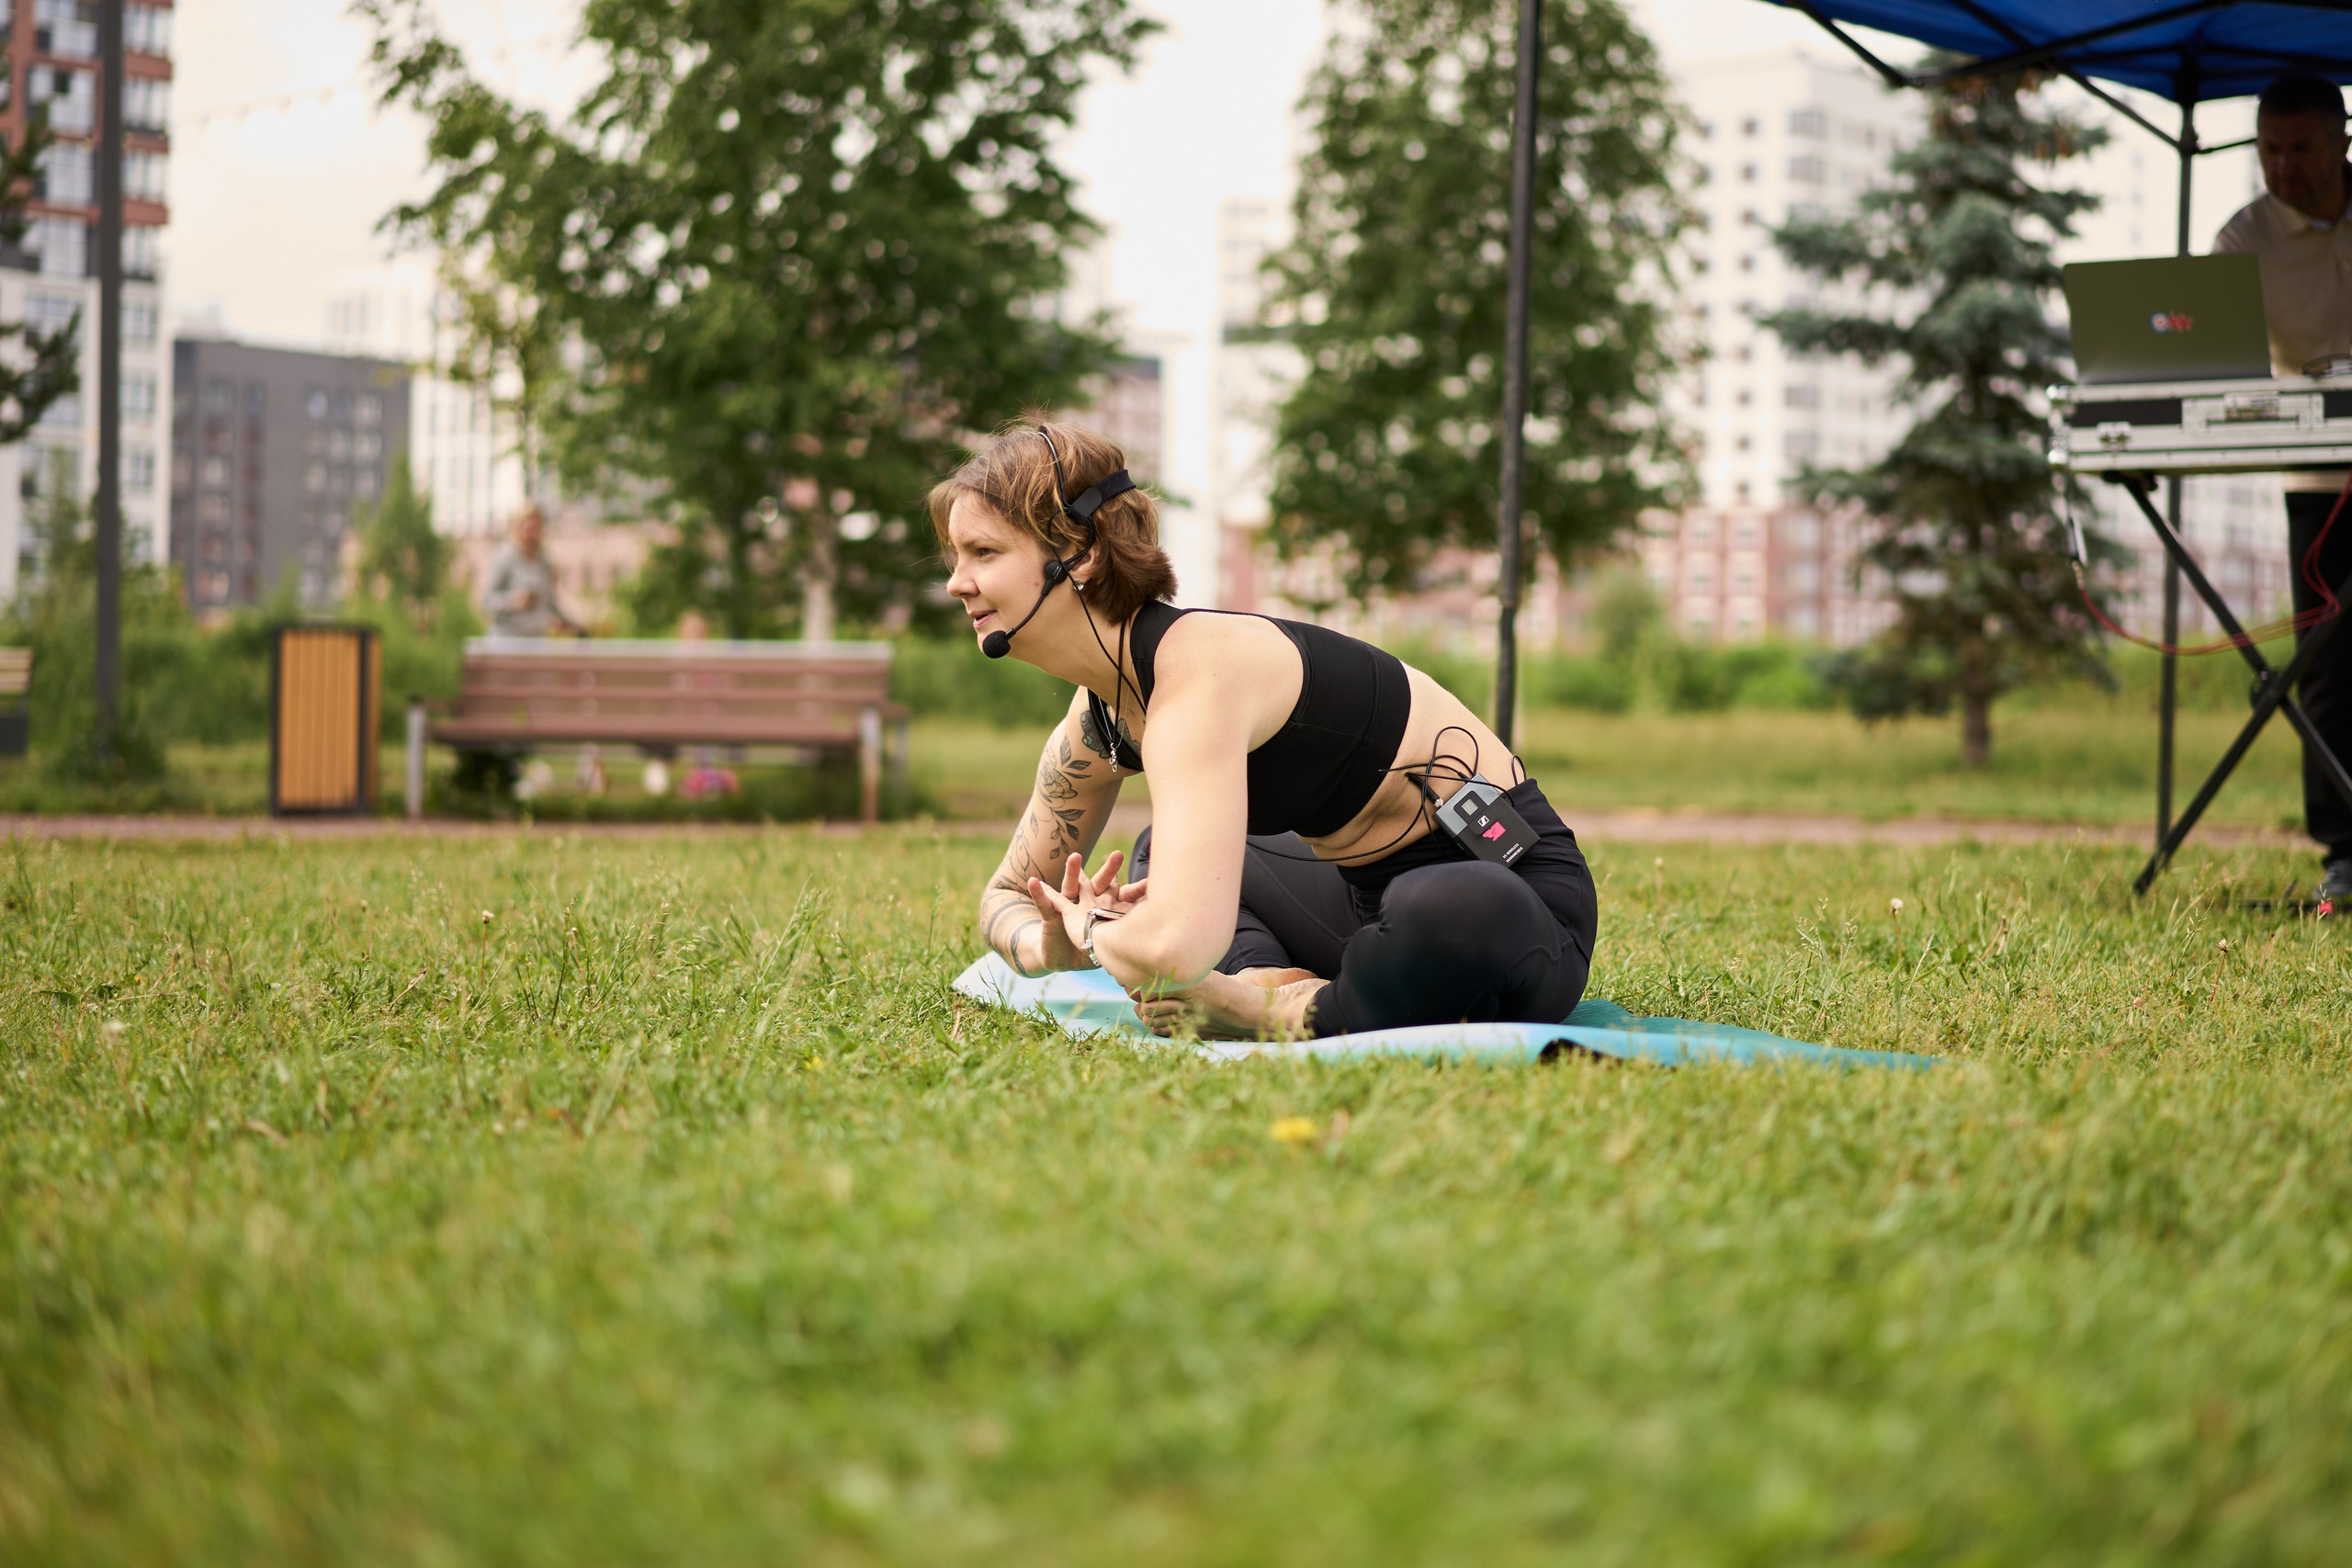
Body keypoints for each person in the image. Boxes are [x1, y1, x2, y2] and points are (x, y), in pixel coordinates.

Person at [937, 419, 1597, 1040]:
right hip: (1359, 903)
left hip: (1516, 910)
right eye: (955, 556)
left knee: (1453, 904)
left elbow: (1175, 946)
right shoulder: (1095, 722)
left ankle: (1268, 1012)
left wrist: (1091, 932)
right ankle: (1271, 983)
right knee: (1159, 849)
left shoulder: (1198, 677)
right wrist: (1045, 943)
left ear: (1078, 556)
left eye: (983, 552)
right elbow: (1004, 894)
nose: (954, 583)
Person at [2215, 74, 2352, 901]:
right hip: (2315, 476)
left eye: (2300, 147)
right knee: (2328, 665)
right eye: (2270, 150)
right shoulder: (2243, 240)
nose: (2284, 166)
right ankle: (2345, 852)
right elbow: (2209, 366)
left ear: (2342, 139)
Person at [481, 503, 577, 637]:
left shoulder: (543, 560)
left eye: (536, 526)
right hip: (507, 639)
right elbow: (486, 601)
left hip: (536, 638)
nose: (532, 531)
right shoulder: (505, 556)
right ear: (517, 527)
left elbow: (549, 602)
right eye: (528, 526)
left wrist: (570, 623)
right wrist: (513, 601)